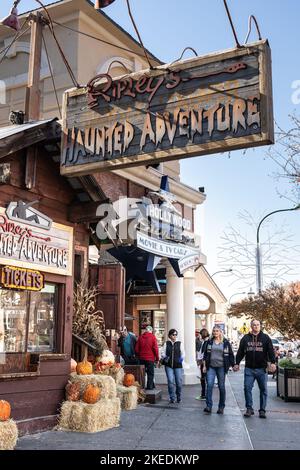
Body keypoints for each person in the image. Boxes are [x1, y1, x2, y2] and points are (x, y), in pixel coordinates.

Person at [234, 319, 276, 419]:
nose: (256, 326)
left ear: (260, 326)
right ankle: (249, 409)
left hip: (262, 369)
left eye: (257, 325)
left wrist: (273, 363)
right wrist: (237, 363)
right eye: (254, 325)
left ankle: (262, 410)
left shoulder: (265, 338)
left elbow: (270, 351)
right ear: (251, 326)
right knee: (247, 388)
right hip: (249, 369)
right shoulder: (245, 338)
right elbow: (240, 352)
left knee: (263, 390)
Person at [203, 325, 235, 414]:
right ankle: (208, 406)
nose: (215, 332)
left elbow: (230, 354)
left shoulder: (225, 342)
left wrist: (233, 365)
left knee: (221, 386)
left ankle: (221, 407)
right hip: (211, 367)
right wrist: (205, 366)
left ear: (220, 332)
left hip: (221, 367)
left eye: (217, 331)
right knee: (209, 385)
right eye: (214, 331)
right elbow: (205, 355)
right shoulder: (209, 342)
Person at [161, 329, 185, 404]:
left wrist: (180, 360)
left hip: (178, 366)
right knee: (170, 381)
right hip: (168, 366)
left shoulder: (179, 343)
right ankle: (172, 398)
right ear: (169, 335)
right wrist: (165, 357)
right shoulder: (166, 343)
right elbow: (162, 352)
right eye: (173, 335)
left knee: (178, 382)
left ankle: (179, 397)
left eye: (175, 335)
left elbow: (183, 353)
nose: (174, 336)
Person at [135, 325, 159, 390]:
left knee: (142, 373)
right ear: (151, 331)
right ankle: (150, 386)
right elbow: (155, 349)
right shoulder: (153, 337)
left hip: (142, 358)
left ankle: (141, 386)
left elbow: (136, 349)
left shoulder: (140, 337)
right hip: (150, 359)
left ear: (145, 330)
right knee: (150, 373)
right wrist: (157, 358)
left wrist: (138, 355)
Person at [196, 328, 210, 400]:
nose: (199, 336)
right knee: (204, 379)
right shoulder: (205, 342)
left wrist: (200, 361)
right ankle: (204, 394)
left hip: (204, 363)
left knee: (203, 379)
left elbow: (203, 354)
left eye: (200, 334)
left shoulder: (206, 342)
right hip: (204, 363)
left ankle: (204, 395)